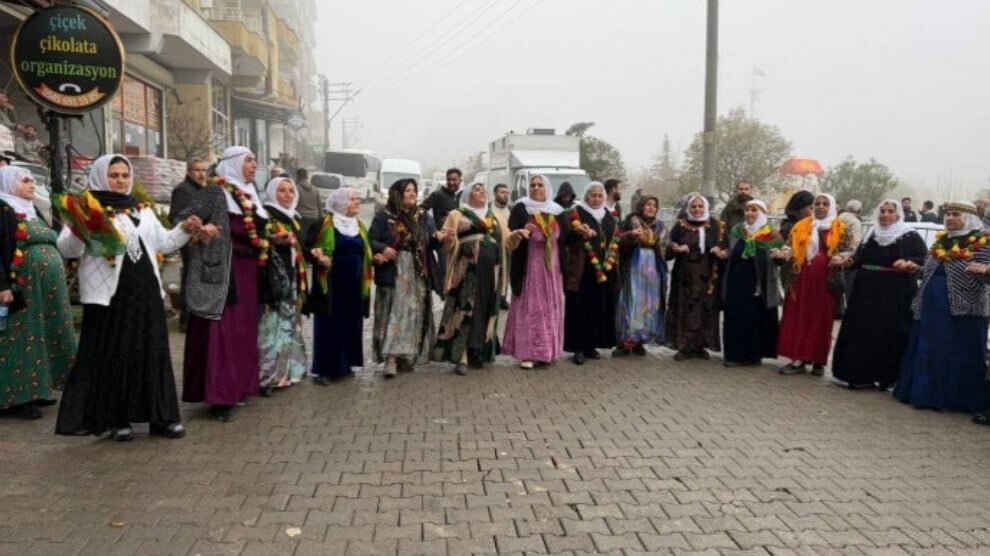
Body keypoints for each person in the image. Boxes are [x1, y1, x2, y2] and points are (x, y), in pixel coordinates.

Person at [56, 154, 200, 440]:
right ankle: (116, 418)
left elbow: (164, 243)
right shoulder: (88, 208)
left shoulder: (142, 210)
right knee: (115, 352)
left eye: (124, 175)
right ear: (101, 177)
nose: (120, 181)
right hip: (109, 295)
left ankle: (162, 416)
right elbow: (68, 249)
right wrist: (79, 227)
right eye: (114, 175)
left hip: (145, 290)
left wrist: (184, 229)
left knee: (151, 350)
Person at [182, 146, 267, 422]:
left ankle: (239, 386)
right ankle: (220, 395)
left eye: (254, 160)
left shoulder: (250, 192)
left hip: (247, 269)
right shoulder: (215, 191)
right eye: (248, 160)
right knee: (222, 329)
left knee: (242, 329)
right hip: (223, 269)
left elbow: (256, 231)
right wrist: (201, 229)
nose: (254, 165)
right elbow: (183, 219)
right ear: (234, 163)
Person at [894, 202, 990, 422]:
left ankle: (952, 398)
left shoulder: (983, 243)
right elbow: (931, 271)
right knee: (928, 349)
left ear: (969, 218)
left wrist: (983, 271)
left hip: (962, 308)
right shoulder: (941, 241)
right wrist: (915, 269)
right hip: (931, 305)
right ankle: (923, 394)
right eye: (947, 215)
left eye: (956, 214)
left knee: (956, 351)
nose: (950, 218)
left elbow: (987, 275)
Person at [0, 167, 75, 419]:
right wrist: (2, 286)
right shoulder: (3, 209)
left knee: (45, 333)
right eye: (25, 180)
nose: (32, 184)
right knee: (22, 337)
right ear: (9, 183)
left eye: (32, 180)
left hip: (46, 289)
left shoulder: (32, 210)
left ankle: (42, 387)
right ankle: (18, 397)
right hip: (21, 288)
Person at [831, 199, 926, 389]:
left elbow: (924, 258)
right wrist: (848, 261)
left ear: (898, 215)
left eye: (890, 211)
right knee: (863, 330)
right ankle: (858, 374)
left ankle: (886, 376)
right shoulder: (872, 234)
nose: (885, 215)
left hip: (894, 292)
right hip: (866, 291)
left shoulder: (909, 235)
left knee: (889, 332)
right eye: (882, 211)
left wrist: (907, 262)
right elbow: (859, 258)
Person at [434, 183, 511, 375]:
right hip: (466, 272)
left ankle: (478, 351)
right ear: (468, 195)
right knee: (465, 309)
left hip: (491, 272)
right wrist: (447, 239)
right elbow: (446, 244)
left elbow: (508, 242)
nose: (482, 192)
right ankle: (462, 356)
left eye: (484, 190)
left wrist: (517, 235)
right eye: (477, 190)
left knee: (485, 308)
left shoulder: (496, 216)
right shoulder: (457, 214)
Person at [371, 179, 443, 378]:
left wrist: (439, 238)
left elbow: (431, 242)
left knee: (413, 312)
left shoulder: (423, 217)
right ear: (397, 194)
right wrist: (383, 248)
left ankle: (405, 355)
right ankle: (390, 358)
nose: (413, 194)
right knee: (394, 312)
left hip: (417, 271)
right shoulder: (384, 216)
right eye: (408, 190)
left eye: (414, 190)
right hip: (394, 270)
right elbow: (371, 239)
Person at [777, 194, 854, 375]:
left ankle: (818, 360)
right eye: (817, 204)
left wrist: (841, 258)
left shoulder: (841, 228)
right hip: (801, 278)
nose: (820, 207)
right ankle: (799, 359)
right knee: (801, 317)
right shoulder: (801, 226)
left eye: (825, 204)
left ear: (832, 207)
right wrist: (784, 253)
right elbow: (790, 246)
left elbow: (849, 251)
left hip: (826, 281)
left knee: (821, 320)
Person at [305, 187, 372, 383]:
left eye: (358, 199)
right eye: (352, 199)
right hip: (331, 284)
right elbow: (308, 247)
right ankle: (324, 369)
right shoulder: (324, 224)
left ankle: (345, 364)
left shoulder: (359, 226)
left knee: (350, 322)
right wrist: (317, 255)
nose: (357, 202)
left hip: (354, 285)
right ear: (341, 202)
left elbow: (365, 251)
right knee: (329, 324)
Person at [502, 174, 565, 369]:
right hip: (529, 268)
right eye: (533, 185)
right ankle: (528, 353)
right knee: (531, 309)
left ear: (547, 188)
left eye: (540, 185)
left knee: (549, 310)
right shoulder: (521, 209)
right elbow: (510, 237)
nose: (536, 188)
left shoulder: (557, 211)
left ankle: (547, 351)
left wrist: (583, 233)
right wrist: (521, 232)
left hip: (552, 269)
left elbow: (566, 239)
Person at [718, 200, 786, 367]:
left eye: (754, 210)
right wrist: (724, 253)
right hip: (736, 280)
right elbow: (729, 250)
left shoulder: (771, 234)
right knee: (735, 316)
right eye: (747, 210)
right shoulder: (737, 231)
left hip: (759, 283)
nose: (749, 213)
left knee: (755, 318)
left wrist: (779, 256)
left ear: (762, 213)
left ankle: (754, 355)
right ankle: (734, 355)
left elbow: (780, 257)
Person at [258, 177, 308, 394]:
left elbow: (302, 247)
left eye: (290, 191)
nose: (288, 195)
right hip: (274, 281)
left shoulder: (293, 218)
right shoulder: (265, 216)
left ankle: (286, 373)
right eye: (282, 191)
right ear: (272, 193)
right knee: (271, 328)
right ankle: (267, 377)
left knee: (289, 327)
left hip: (292, 278)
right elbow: (258, 241)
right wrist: (274, 240)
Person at [562, 182, 618, 364]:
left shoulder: (608, 215)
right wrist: (579, 233)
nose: (597, 199)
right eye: (593, 195)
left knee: (597, 307)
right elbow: (566, 239)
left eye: (600, 196)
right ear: (586, 196)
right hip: (583, 269)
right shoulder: (576, 213)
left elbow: (615, 239)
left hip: (604, 269)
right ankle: (578, 347)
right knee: (580, 308)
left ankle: (591, 345)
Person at [665, 193, 722, 361]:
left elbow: (720, 245)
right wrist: (676, 247)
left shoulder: (714, 224)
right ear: (688, 208)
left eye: (700, 206)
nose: (697, 209)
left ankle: (700, 346)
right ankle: (684, 346)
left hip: (707, 275)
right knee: (684, 308)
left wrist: (719, 251)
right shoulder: (681, 225)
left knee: (704, 308)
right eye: (694, 206)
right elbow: (668, 249)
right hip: (684, 275)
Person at [614, 194, 667, 357]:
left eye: (654, 205)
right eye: (648, 204)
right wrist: (631, 235)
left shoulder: (660, 226)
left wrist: (670, 247)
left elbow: (666, 249)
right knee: (631, 302)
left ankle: (639, 340)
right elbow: (617, 242)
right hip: (633, 267)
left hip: (652, 269)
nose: (651, 208)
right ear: (641, 206)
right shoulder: (631, 221)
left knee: (647, 304)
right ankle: (625, 342)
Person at [169, 158, 208, 332]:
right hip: (191, 241)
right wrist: (188, 229)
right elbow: (175, 216)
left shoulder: (204, 189)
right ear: (189, 172)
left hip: (205, 240)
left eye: (203, 170)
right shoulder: (183, 190)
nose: (201, 174)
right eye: (197, 170)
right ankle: (186, 320)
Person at [778, 190, 815, 290]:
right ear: (799, 209)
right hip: (794, 274)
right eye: (811, 208)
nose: (814, 211)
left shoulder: (813, 226)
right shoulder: (790, 228)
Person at [294, 168, 324, 241]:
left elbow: (293, 204)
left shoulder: (296, 189)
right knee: (312, 239)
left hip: (301, 217)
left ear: (297, 176)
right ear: (307, 177)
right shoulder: (315, 189)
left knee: (301, 238)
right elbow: (319, 205)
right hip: (314, 217)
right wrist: (321, 218)